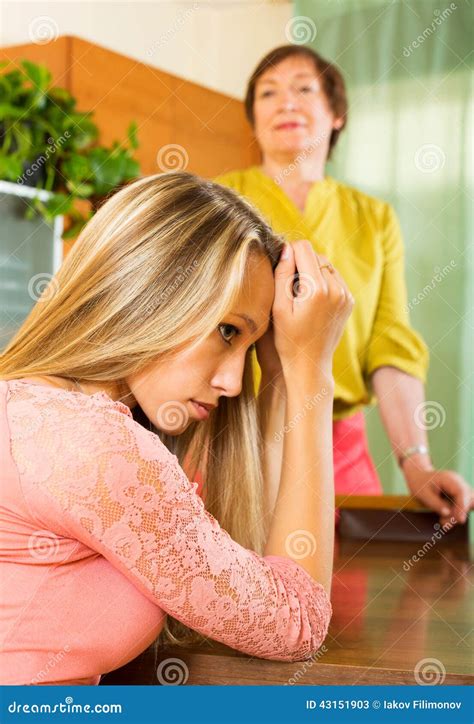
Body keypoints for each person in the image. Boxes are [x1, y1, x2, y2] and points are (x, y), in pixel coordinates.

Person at [0, 171, 353, 685]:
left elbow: (250, 571)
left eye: (251, 349)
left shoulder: (33, 406)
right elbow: (294, 623)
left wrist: (279, 373)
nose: (234, 382)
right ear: (149, 290)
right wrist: (311, 373)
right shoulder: (97, 447)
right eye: (227, 331)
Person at [215, 44, 472, 527]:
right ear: (253, 120)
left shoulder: (373, 218)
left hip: (339, 442)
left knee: (347, 592)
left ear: (336, 115)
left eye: (304, 89)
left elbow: (390, 344)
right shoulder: (222, 198)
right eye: (268, 93)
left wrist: (416, 462)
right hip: (235, 431)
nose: (286, 102)